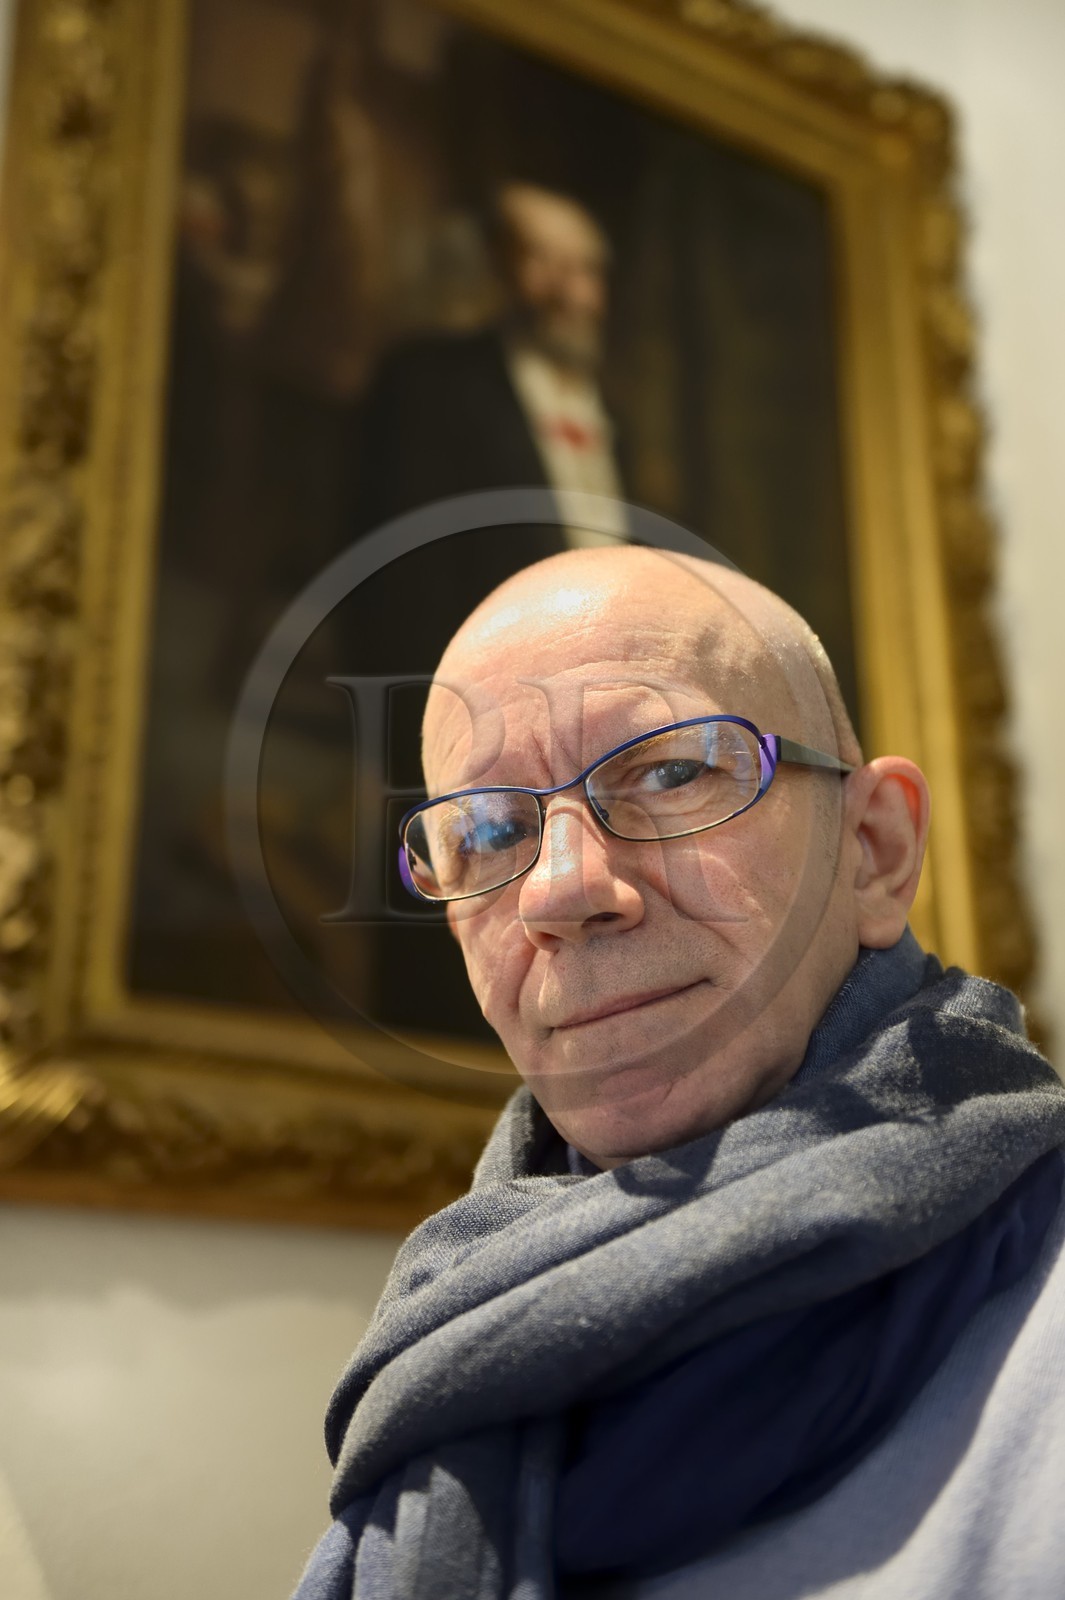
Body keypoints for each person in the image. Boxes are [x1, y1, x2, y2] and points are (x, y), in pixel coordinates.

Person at [293, 546, 1065, 1599]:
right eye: (487, 829)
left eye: (667, 770)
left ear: (874, 850)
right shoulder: (445, 1364)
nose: (561, 889)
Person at [355, 182, 627, 547]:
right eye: (544, 260)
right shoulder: (431, 384)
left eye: (585, 268)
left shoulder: (612, 414)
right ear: (500, 266)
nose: (573, 294)